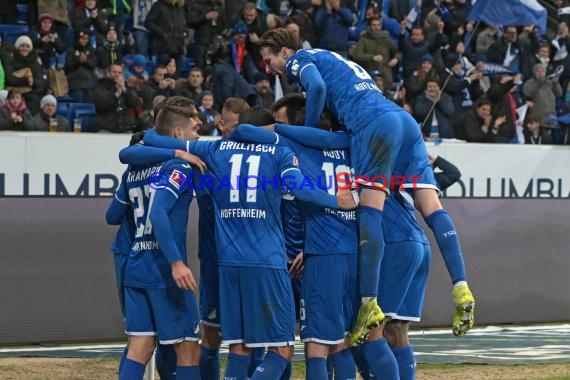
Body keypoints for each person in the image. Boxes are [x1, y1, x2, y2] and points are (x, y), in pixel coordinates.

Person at [259, 28, 475, 355]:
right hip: (402, 119)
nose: (268, 66)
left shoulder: (301, 60)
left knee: (370, 212)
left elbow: (316, 86)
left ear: (285, 53)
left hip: (371, 125)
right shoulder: (335, 59)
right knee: (433, 210)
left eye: (269, 58)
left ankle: (369, 302)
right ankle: (461, 285)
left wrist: (307, 128)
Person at [129, 100, 356, 380]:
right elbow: (301, 190)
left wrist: (179, 151)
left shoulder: (214, 149)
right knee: (282, 350)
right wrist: (337, 200)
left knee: (240, 347)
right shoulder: (279, 151)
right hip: (267, 261)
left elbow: (151, 138)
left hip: (227, 264)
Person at [231, 99, 359, 380]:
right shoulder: (352, 147)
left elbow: (243, 132)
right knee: (337, 338)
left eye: (284, 122)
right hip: (343, 251)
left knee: (312, 342)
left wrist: (279, 130)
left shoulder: (295, 149)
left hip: (314, 255)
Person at [106, 97, 202, 380]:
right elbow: (158, 214)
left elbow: (112, 215)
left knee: (140, 346)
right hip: (164, 269)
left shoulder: (135, 169)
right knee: (188, 348)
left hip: (136, 264)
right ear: (178, 134)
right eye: (194, 129)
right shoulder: (177, 167)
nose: (197, 135)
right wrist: (176, 262)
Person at [93, 63, 139, 133]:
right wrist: (116, 95)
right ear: (108, 73)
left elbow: (134, 104)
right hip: (106, 128)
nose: (117, 74)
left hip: (125, 128)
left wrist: (124, 90)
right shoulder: (100, 88)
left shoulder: (128, 89)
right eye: (114, 72)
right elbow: (101, 106)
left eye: (119, 72)